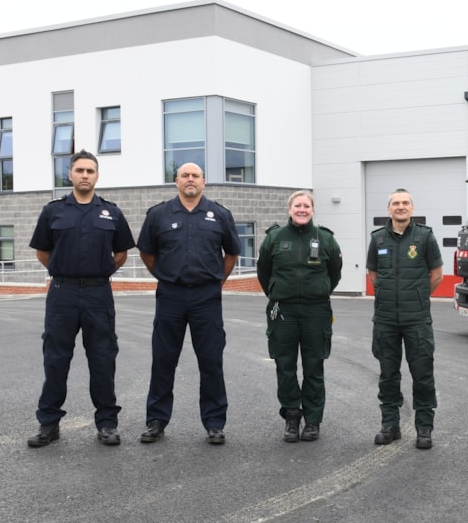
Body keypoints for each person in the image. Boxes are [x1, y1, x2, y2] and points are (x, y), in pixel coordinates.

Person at [26, 150, 137, 448]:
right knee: (56, 359)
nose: (85, 175)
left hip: (99, 294)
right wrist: (64, 272)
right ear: (70, 175)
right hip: (62, 293)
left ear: (97, 175)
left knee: (102, 359)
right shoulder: (53, 211)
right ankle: (49, 424)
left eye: (90, 170)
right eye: (79, 170)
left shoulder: (111, 212)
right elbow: (42, 252)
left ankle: (107, 424)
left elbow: (122, 253)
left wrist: (98, 274)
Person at [136, 162, 242, 444]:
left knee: (210, 360)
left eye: (195, 175)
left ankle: (215, 423)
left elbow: (231, 253)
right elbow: (146, 252)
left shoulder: (219, 215)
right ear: (176, 181)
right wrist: (163, 274)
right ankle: (156, 420)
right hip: (170, 296)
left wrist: (217, 280)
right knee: (163, 359)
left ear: (204, 182)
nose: (190, 179)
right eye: (185, 175)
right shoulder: (158, 215)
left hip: (206, 298)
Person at [256, 191, 343, 442]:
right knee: (285, 366)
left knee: (314, 366)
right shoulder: (274, 237)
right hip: (283, 310)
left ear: (313, 209)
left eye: (306, 205)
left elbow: (334, 274)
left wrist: (320, 292)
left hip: (316, 311)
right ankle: (292, 417)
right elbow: (264, 273)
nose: (302, 209)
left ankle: (313, 421)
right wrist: (276, 293)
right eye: (297, 205)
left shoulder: (325, 239)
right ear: (290, 209)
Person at [366, 188, 443, 449]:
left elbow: (437, 274)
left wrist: (418, 296)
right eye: (396, 203)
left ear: (412, 207)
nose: (401, 207)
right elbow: (373, 274)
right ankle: (390, 424)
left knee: (422, 375)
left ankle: (424, 428)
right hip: (386, 319)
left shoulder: (425, 237)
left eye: (405, 203)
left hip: (417, 319)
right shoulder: (377, 239)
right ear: (388, 209)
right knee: (388, 375)